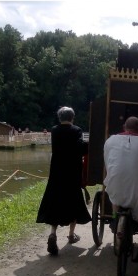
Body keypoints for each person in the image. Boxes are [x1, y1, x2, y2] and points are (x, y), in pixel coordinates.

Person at [104, 116, 138, 263]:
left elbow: (107, 163)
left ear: (124, 127)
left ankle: (116, 220)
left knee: (115, 191)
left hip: (117, 182)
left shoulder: (110, 140)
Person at [36, 107, 91, 255]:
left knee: (55, 202)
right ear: (72, 117)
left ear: (59, 117)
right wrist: (90, 145)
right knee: (73, 201)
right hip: (72, 173)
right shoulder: (76, 130)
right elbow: (81, 149)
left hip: (56, 173)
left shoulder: (54, 130)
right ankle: (71, 236)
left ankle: (53, 233)